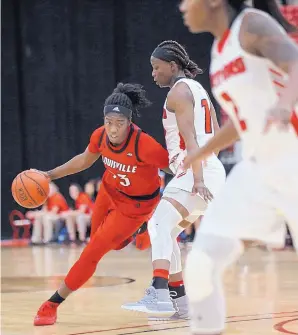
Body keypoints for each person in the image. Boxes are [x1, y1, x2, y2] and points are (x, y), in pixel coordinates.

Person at [179, 0, 298, 334]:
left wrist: (285, 105)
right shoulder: (220, 52)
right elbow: (240, 121)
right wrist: (201, 152)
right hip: (259, 169)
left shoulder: (252, 24)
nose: (182, 6)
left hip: (294, 160)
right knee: (201, 264)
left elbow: (295, 61)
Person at [33, 82, 170, 326]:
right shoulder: (100, 136)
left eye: (119, 123)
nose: (113, 129)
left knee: (93, 251)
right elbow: (84, 160)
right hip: (109, 191)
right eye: (109, 122)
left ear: (130, 122)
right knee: (101, 243)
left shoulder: (145, 145)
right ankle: (137, 233)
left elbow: (177, 168)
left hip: (136, 207)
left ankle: (51, 304)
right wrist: (49, 174)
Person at [121, 40, 226, 319]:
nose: (153, 74)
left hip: (197, 172)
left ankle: (159, 293)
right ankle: (179, 301)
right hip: (209, 168)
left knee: (157, 224)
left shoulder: (177, 93)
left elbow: (191, 138)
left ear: (173, 65)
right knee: (166, 230)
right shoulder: (198, 90)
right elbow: (215, 135)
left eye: (157, 68)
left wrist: (198, 177)